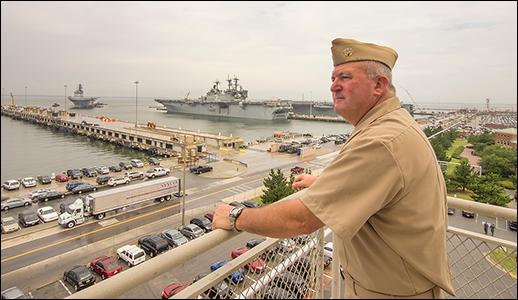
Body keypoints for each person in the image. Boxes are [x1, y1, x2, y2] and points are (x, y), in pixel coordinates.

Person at [212, 38, 455, 299]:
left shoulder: (380, 141)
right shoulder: (395, 123)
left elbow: (302, 219)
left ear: (379, 85)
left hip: (390, 292)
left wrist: (237, 216)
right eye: (333, 78)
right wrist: (324, 186)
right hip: (399, 283)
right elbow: (381, 185)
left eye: (346, 77)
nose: (333, 86)